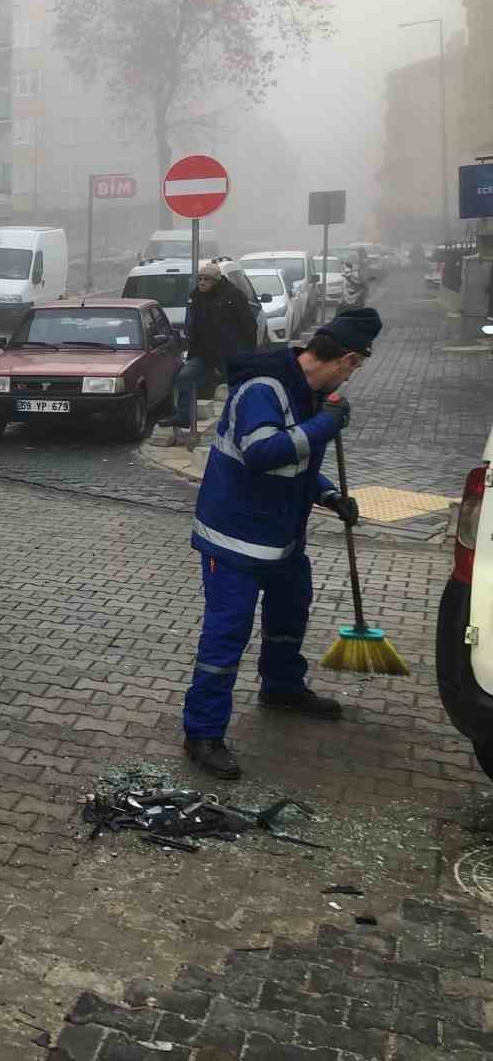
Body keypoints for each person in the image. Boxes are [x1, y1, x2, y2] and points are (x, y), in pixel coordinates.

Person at [181, 308, 382, 780]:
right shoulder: (264, 389)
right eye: (355, 368)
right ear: (347, 359)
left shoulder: (303, 392)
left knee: (291, 611)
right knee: (226, 636)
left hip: (281, 538)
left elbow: (298, 460)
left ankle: (282, 687)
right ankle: (203, 733)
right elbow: (263, 453)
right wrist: (326, 425)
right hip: (235, 540)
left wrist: (329, 494)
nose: (350, 379)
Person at [161, 261, 257, 433]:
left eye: (207, 279)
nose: (202, 282)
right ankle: (183, 416)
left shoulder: (233, 296)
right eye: (200, 279)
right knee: (184, 376)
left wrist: (246, 353)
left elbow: (250, 326)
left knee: (237, 387)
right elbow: (191, 324)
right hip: (203, 353)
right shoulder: (195, 297)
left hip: (229, 352)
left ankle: (244, 420)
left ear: (216, 281)